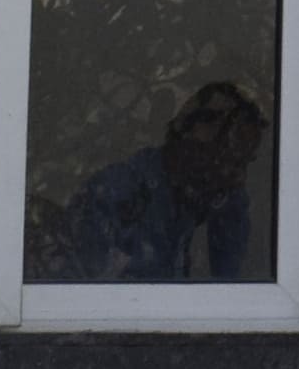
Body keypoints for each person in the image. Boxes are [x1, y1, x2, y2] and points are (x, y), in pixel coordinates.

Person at [57, 79, 269, 280]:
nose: (237, 176)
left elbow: (229, 282)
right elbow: (86, 291)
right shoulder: (119, 195)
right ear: (197, 140)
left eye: (244, 162)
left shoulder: (196, 200)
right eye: (231, 158)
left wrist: (229, 205)